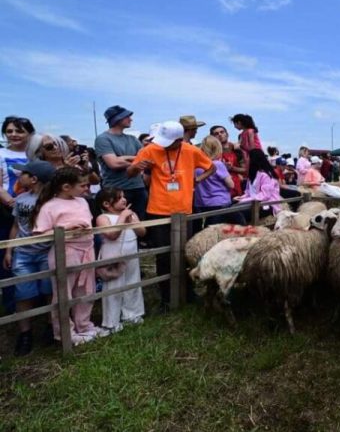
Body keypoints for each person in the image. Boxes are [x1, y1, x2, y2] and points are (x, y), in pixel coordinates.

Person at [127, 121, 215, 308]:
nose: (164, 144)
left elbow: (211, 167)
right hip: (158, 209)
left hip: (183, 210)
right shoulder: (151, 149)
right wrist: (136, 167)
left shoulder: (191, 151)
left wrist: (196, 180)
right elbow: (129, 172)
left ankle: (187, 293)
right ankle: (167, 297)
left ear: (179, 139)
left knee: (186, 253)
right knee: (163, 255)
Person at [32, 166, 100, 345]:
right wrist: (65, 229)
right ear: (66, 187)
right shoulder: (50, 206)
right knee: (64, 294)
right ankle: (64, 333)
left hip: (87, 248)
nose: (86, 189)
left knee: (87, 289)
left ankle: (84, 326)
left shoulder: (82, 202)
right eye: (82, 185)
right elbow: (39, 233)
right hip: (66, 251)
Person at [3, 160, 55, 355]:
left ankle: (51, 327)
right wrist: (9, 250)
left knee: (50, 290)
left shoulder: (53, 201)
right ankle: (25, 333)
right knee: (23, 293)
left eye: (23, 173)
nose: (19, 176)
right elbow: (17, 226)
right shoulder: (21, 199)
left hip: (46, 252)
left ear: (33, 179)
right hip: (22, 253)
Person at [94, 188, 146, 334]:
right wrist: (123, 218)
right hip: (112, 255)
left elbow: (142, 232)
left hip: (131, 253)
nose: (124, 200)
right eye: (119, 198)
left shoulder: (131, 214)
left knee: (133, 282)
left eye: (124, 197)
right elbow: (112, 235)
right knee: (113, 286)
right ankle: (111, 321)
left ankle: (132, 314)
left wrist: (132, 221)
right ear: (106, 203)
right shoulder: (103, 218)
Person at [0, 116, 36, 315]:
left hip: (35, 211)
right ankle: (11, 303)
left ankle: (37, 300)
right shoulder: (1, 154)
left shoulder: (35, 154)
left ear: (29, 133)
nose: (13, 134)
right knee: (8, 254)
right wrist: (12, 202)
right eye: (10, 130)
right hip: (8, 210)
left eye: (19, 131)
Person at [94, 105, 148, 219]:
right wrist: (136, 161)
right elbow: (113, 163)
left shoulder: (132, 139)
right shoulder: (103, 139)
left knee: (141, 224)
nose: (131, 119)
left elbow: (145, 157)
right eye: (127, 116)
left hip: (138, 188)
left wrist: (123, 158)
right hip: (116, 191)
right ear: (117, 119)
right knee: (119, 224)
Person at [194, 136, 239, 228]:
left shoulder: (196, 165)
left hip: (201, 204)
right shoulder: (218, 164)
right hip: (219, 203)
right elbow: (231, 185)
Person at [236, 149, 282, 217]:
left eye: (248, 157)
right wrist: (241, 198)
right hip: (254, 202)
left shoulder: (265, 175)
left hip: (266, 205)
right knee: (232, 208)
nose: (246, 160)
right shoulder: (252, 175)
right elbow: (249, 192)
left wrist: (245, 200)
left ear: (253, 159)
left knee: (238, 214)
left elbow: (265, 195)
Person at [210, 125, 246, 198]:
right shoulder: (210, 152)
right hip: (218, 190)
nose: (220, 134)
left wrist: (231, 168)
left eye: (222, 132)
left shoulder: (236, 149)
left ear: (227, 134)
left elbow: (246, 170)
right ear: (212, 137)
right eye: (216, 134)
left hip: (236, 189)